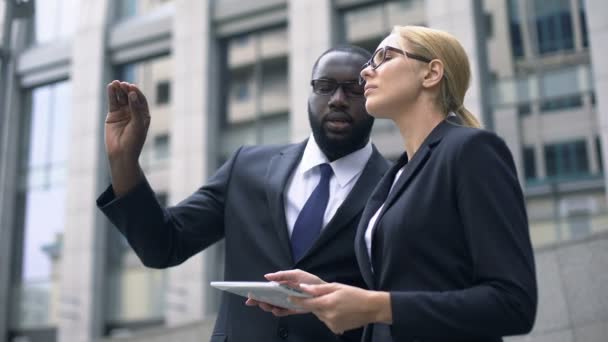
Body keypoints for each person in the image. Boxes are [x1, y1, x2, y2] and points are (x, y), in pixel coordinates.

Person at [260, 26, 538, 342]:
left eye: (385, 57)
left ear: (431, 73)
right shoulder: (393, 178)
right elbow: (406, 289)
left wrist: (378, 306)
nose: (366, 71)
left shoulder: (472, 151)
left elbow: (513, 303)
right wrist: (322, 293)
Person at [96, 45, 391, 342]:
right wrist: (124, 160)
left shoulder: (396, 187)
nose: (337, 100)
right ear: (310, 94)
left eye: (354, 89)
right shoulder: (246, 167)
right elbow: (162, 245)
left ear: (373, 95)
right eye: (325, 87)